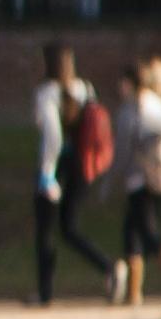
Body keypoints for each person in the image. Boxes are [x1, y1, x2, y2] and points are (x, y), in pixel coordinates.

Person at [27, 43, 112, 305]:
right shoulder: (84, 89)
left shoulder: (46, 93)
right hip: (81, 167)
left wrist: (46, 173)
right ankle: (107, 267)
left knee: (46, 232)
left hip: (57, 169)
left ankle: (45, 292)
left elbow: (53, 136)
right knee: (68, 227)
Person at [109, 55, 161, 311]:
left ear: (130, 83)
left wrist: (110, 180)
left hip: (140, 178)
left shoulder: (132, 109)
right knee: (132, 232)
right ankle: (134, 293)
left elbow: (123, 150)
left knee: (148, 234)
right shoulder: (159, 104)